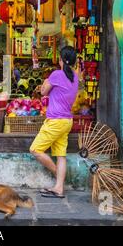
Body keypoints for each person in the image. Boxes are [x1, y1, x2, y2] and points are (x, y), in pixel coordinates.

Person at [29, 46, 78, 198]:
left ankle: (58, 175)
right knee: (60, 155)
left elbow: (43, 92)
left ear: (61, 60)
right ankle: (59, 188)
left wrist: (45, 81)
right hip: (66, 121)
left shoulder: (57, 74)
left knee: (35, 149)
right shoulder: (75, 77)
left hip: (56, 121)